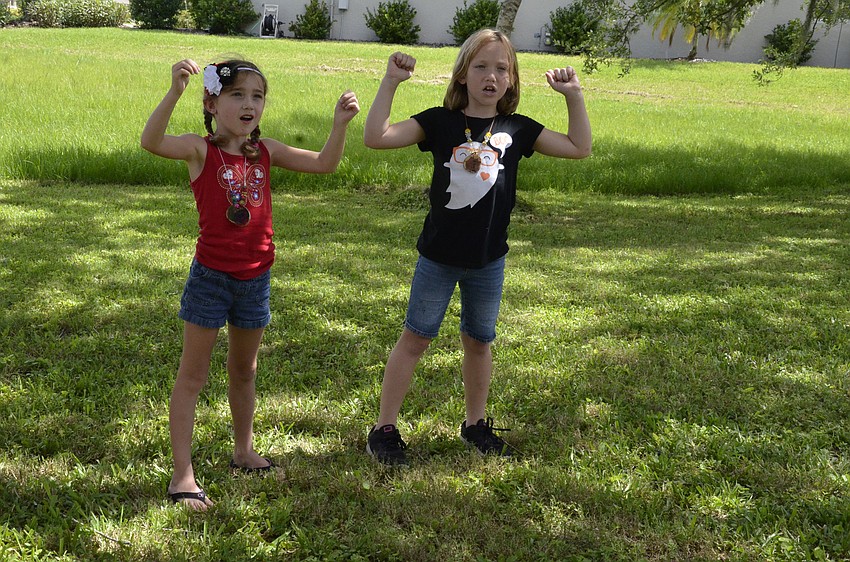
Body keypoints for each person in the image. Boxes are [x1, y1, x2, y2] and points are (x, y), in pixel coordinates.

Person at [362, 29, 591, 465]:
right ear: (463, 74)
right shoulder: (439, 121)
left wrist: (573, 95)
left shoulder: (517, 130)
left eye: (501, 68)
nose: (491, 76)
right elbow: (376, 136)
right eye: (482, 66)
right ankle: (384, 429)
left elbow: (580, 148)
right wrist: (390, 82)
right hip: (438, 259)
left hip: (488, 262)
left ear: (511, 80)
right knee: (415, 339)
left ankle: (475, 426)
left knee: (480, 342)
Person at [141, 58, 359, 508]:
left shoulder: (266, 152)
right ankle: (183, 476)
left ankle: (243, 451)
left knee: (245, 370)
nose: (249, 104)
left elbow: (325, 164)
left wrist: (339, 125)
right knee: (193, 375)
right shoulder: (200, 150)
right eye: (237, 94)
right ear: (212, 102)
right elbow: (151, 141)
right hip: (211, 279)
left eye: (257, 96)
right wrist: (174, 91)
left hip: (256, 279)